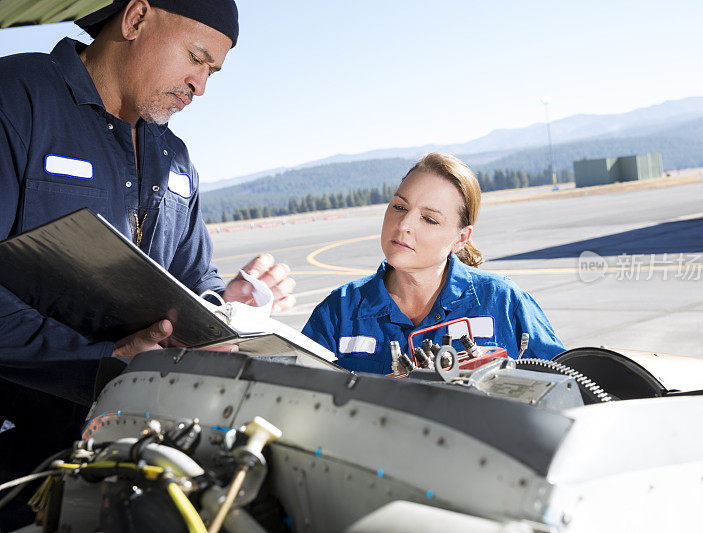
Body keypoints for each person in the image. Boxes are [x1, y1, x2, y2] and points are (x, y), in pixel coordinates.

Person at [0, 0, 294, 527]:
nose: (200, 86)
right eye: (196, 59)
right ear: (135, 20)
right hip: (15, 458)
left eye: (212, 72)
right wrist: (102, 361)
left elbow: (192, 278)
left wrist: (221, 309)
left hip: (130, 457)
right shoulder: (16, 99)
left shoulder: (175, 158)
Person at [302, 152, 564, 374]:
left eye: (429, 219)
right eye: (399, 207)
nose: (403, 225)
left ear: (460, 239)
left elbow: (568, 384)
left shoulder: (502, 301)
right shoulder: (338, 312)